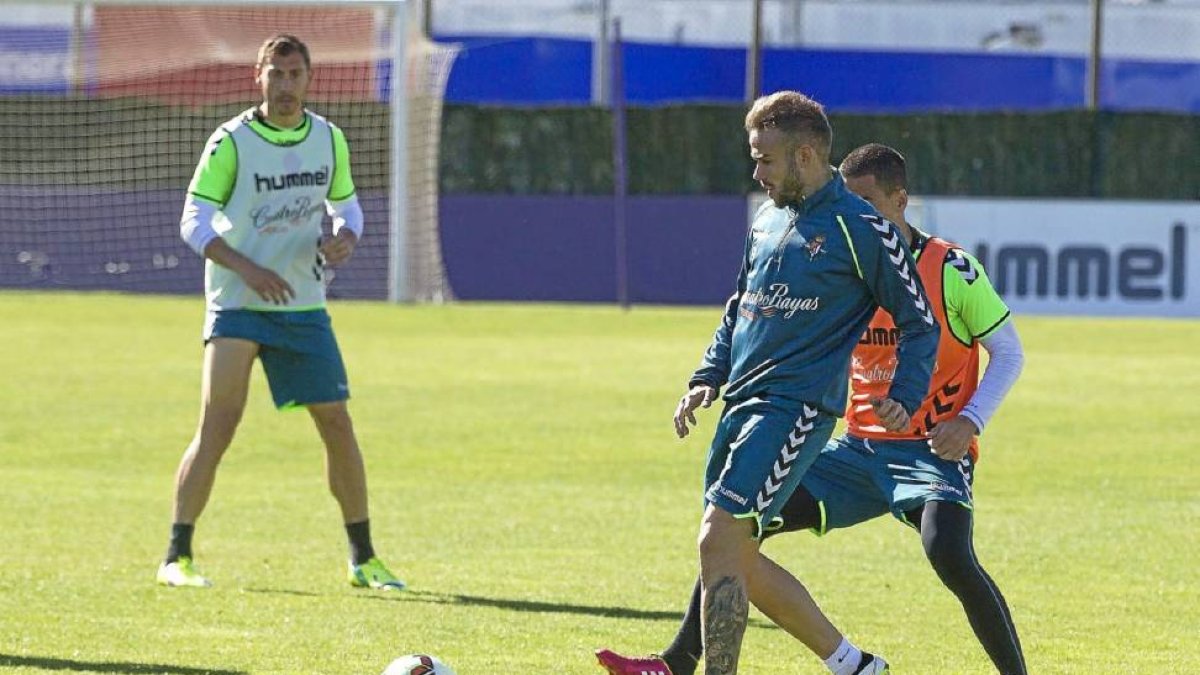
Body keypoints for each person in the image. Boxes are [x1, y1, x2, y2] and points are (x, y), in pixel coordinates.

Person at [597, 144, 1027, 674]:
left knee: (949, 553)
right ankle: (680, 659)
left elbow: (1008, 351)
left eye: (871, 203)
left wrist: (970, 419)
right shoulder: (845, 268)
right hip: (853, 452)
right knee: (735, 526)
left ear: (901, 201)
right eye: (852, 201)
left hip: (929, 451)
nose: (861, 215)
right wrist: (713, 376)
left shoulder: (951, 269)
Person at [155, 34, 404, 591]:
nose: (286, 85)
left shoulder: (328, 139)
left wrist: (347, 235)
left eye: (295, 75)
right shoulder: (232, 142)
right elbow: (193, 218)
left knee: (337, 424)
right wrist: (245, 267)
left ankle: (364, 558)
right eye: (276, 74)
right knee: (218, 423)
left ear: (309, 78)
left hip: (302, 304)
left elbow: (347, 203)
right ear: (258, 76)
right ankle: (177, 555)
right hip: (239, 302)